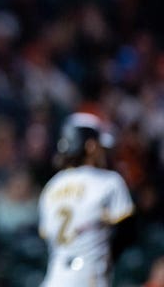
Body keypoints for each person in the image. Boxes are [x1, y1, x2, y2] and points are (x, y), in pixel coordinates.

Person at [38, 112, 135, 287]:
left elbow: (47, 239)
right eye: (99, 146)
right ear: (90, 146)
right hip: (88, 276)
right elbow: (127, 231)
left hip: (54, 277)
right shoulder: (108, 181)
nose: (102, 152)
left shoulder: (51, 187)